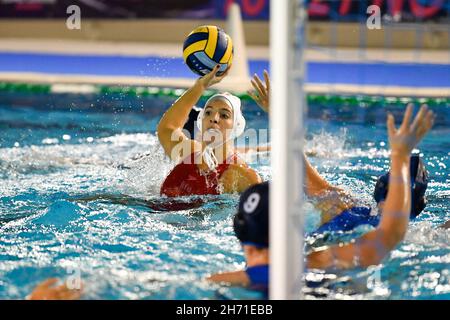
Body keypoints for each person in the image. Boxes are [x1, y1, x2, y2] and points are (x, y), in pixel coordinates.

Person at [208, 104, 435, 292]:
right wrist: (400, 156)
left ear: (239, 233)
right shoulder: (323, 261)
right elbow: (391, 232)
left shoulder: (219, 282)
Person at [158, 65, 262, 197]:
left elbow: (268, 208)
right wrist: (199, 86)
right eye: (208, 112)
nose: (214, 118)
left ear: (236, 127)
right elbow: (167, 128)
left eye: (224, 115)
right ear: (201, 120)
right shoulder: (188, 151)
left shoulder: (241, 175)